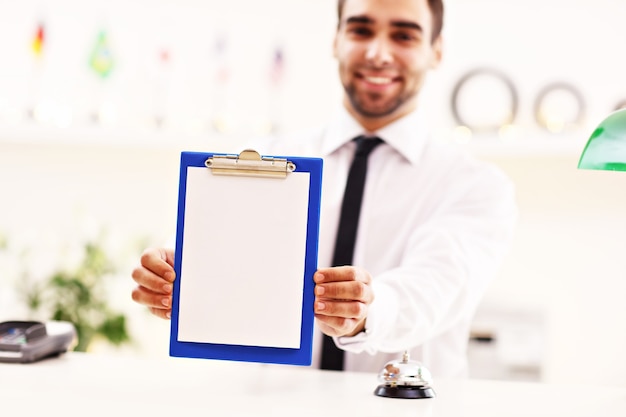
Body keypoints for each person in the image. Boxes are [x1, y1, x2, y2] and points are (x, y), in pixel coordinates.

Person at [131, 0, 517, 378]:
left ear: (436, 51)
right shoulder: (271, 159)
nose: (378, 53)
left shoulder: (475, 187)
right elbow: (215, 248)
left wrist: (367, 312)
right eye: (361, 30)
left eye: (404, 36)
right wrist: (175, 271)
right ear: (336, 40)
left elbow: (435, 287)